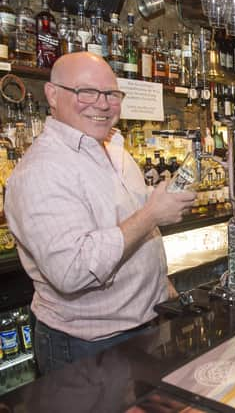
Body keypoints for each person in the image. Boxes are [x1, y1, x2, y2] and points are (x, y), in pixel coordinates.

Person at [4, 52, 196, 374]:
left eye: (111, 94)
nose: (103, 104)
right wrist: (151, 214)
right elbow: (72, 270)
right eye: (86, 92)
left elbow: (126, 223)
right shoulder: (39, 172)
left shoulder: (112, 147)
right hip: (87, 344)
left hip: (144, 323)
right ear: (52, 95)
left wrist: (162, 286)